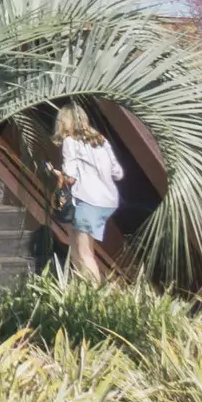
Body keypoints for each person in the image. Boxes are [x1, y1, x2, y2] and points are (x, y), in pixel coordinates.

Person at [55, 105, 123, 281]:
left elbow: (70, 177)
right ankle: (81, 286)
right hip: (108, 201)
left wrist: (59, 175)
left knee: (84, 253)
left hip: (88, 200)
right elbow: (118, 173)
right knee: (82, 248)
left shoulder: (70, 142)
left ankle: (93, 296)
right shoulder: (101, 141)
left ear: (66, 122)